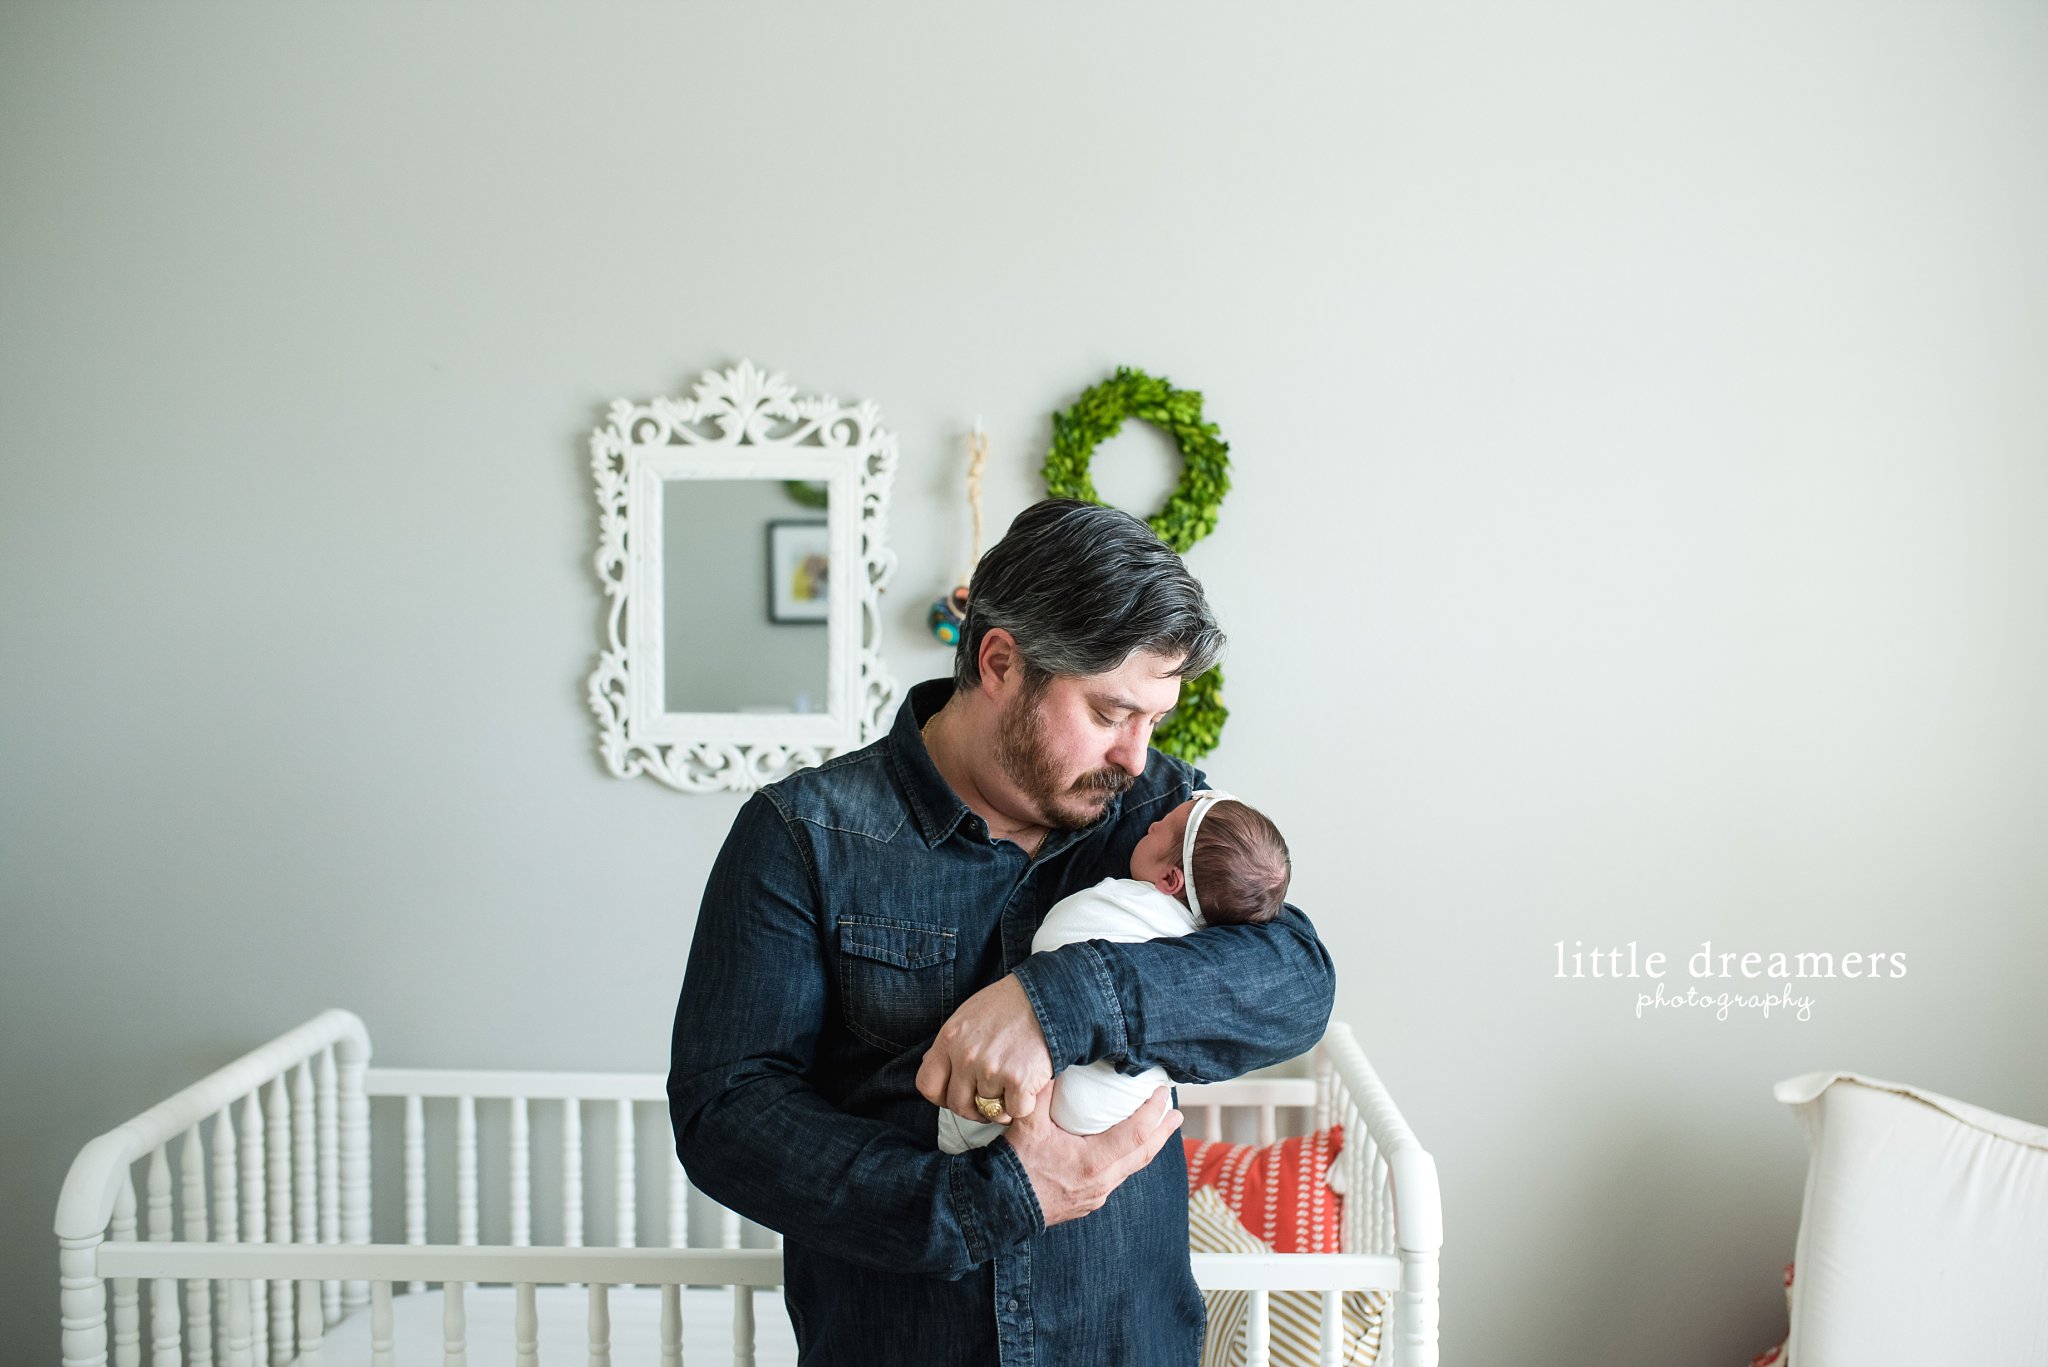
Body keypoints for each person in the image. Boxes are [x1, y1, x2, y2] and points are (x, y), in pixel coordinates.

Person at [668, 498, 1336, 1366]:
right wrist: (987, 1200)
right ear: (1000, 662)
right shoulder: (805, 835)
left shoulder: (1158, 809)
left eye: (1153, 720)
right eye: (1110, 713)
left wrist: (1056, 1000)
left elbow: (1296, 978)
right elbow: (726, 1113)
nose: (1136, 755)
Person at [938, 790, 1291, 1154]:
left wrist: (1059, 988)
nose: (1152, 823)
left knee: (971, 1113)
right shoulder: (1209, 940)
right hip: (1121, 1111)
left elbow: (1057, 934)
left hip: (1068, 1097)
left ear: (1170, 880)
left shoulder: (1125, 901)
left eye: (1161, 828)